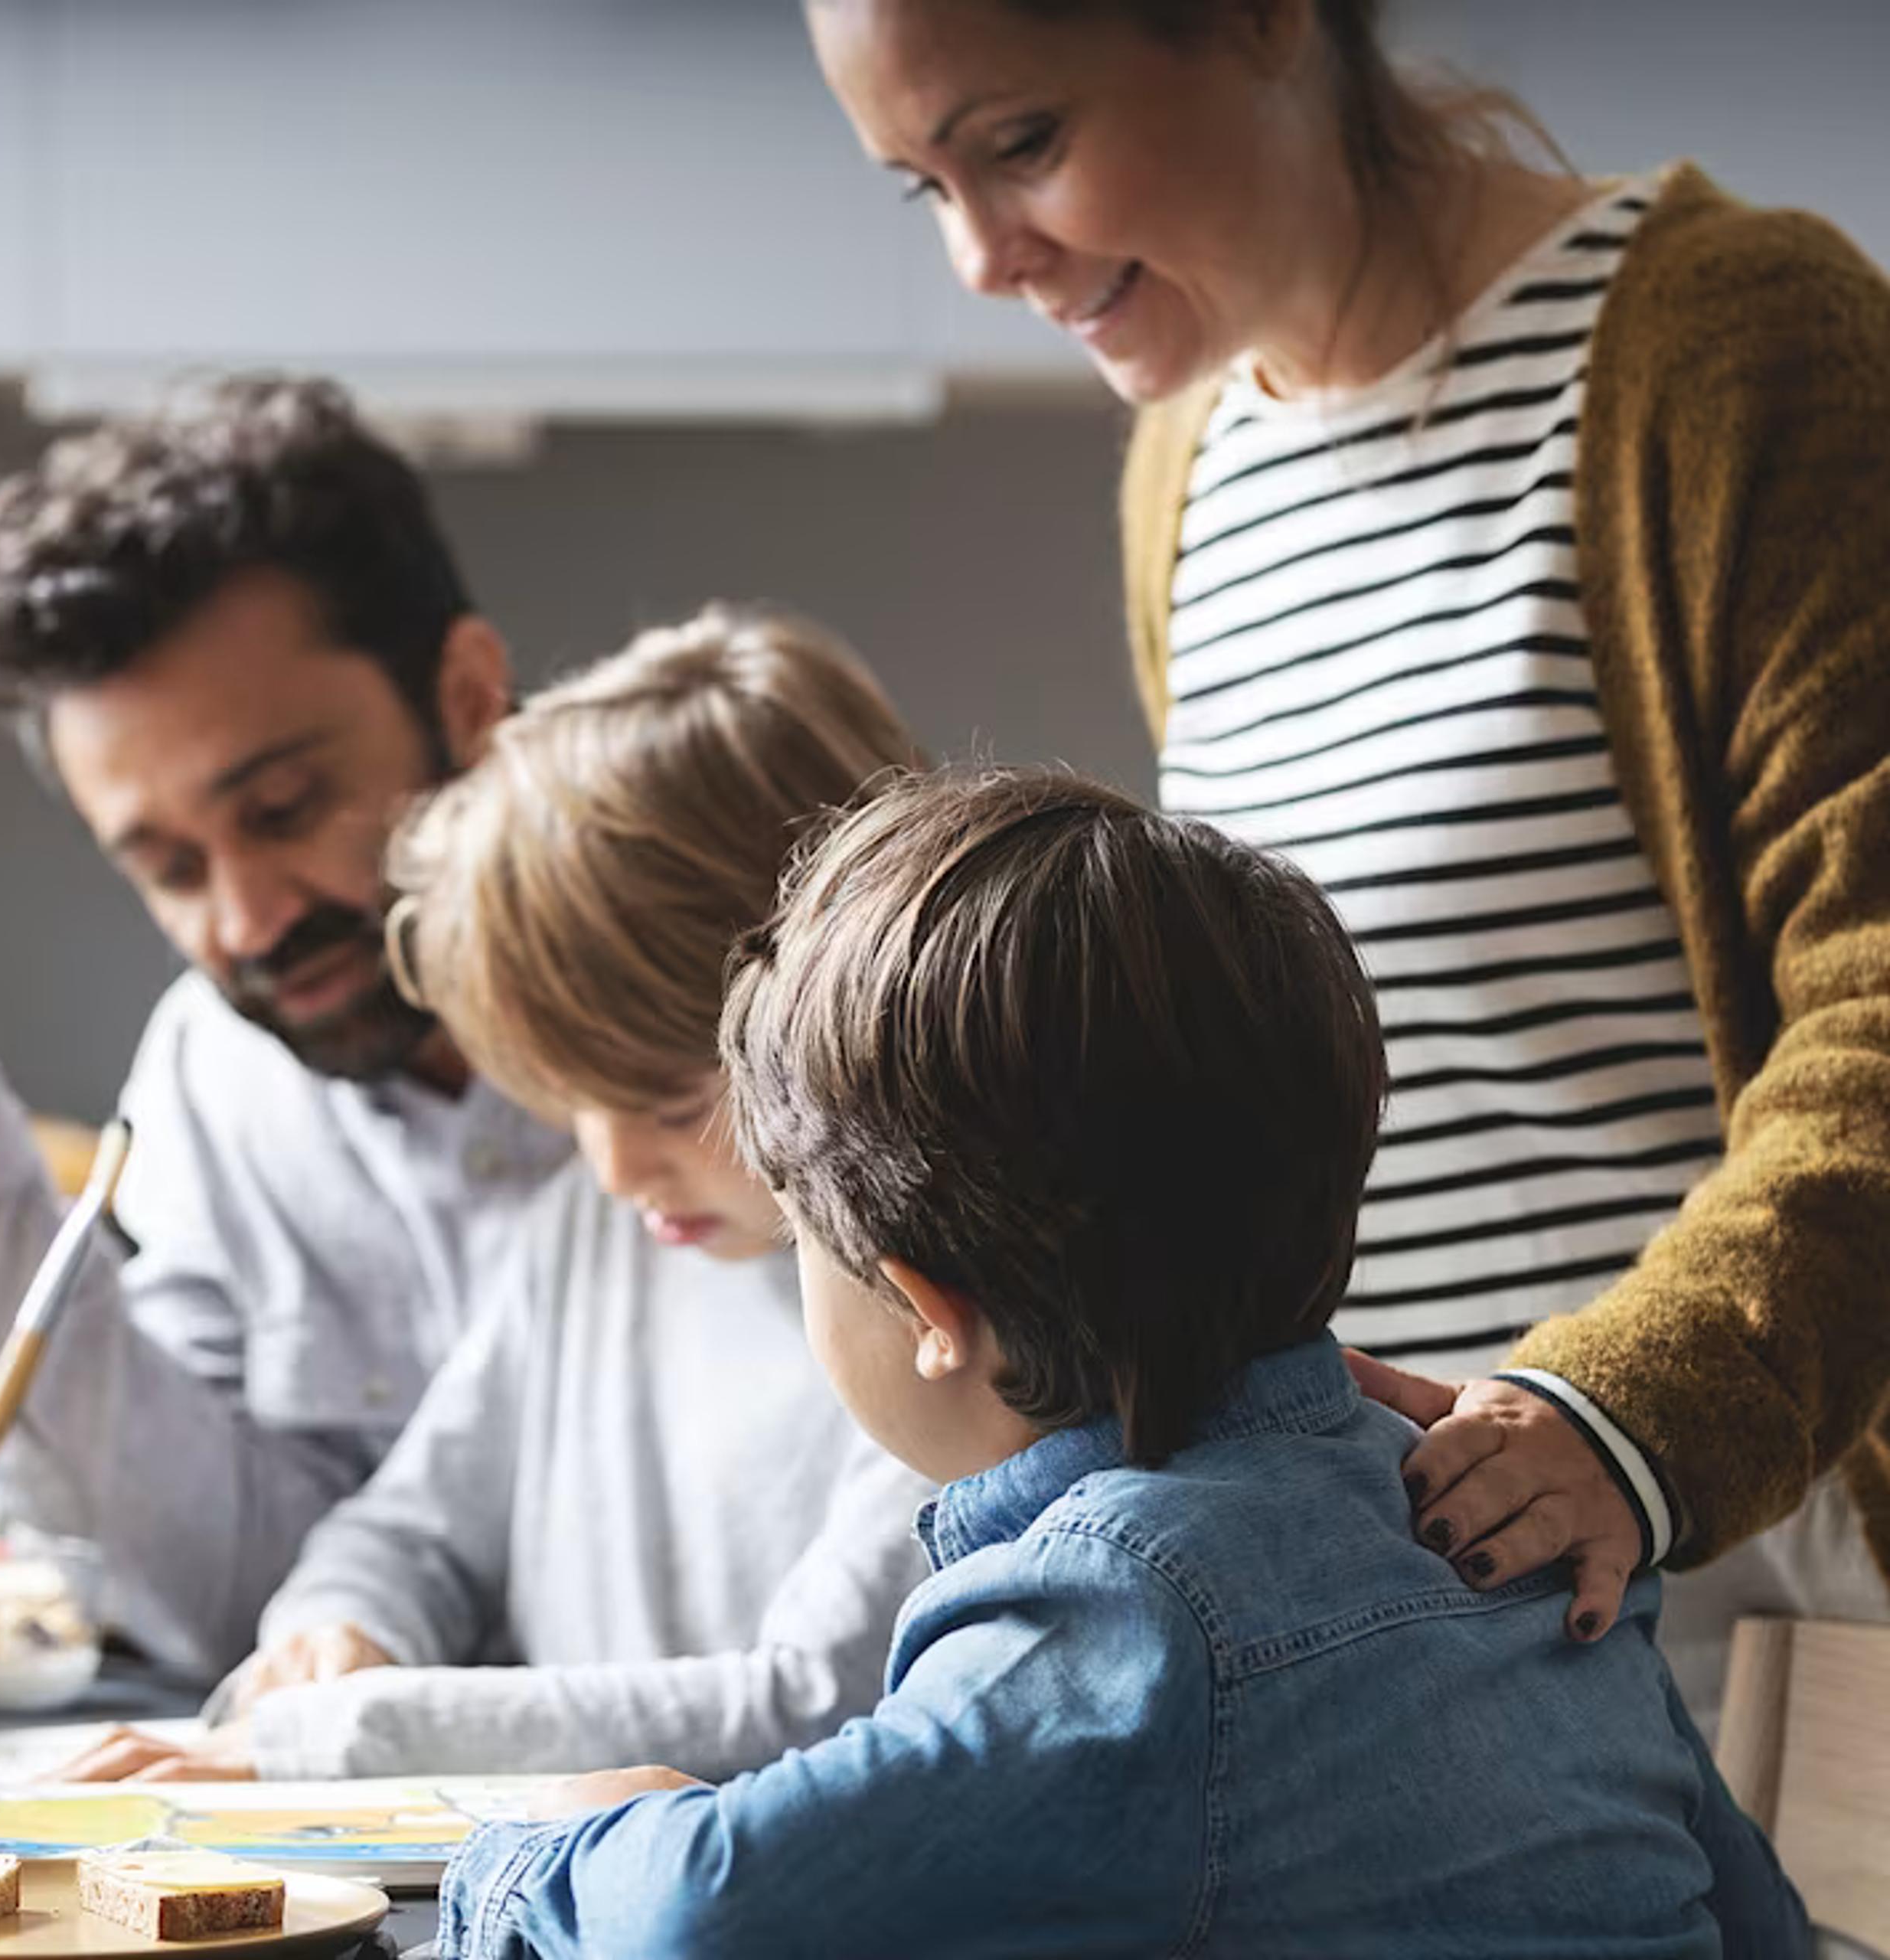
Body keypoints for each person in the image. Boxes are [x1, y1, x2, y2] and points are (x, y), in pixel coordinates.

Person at [798, 0, 1890, 1725]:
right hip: (1417, 1636)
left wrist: (1624, 1420)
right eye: (915, 187)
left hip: (1754, 1607)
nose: (981, 256)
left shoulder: (1731, 346)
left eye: (1020, 146)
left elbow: (1876, 1012)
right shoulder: (1191, 455)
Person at [440, 767, 1807, 1959]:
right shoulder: (1515, 1529)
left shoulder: (1128, 1623)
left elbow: (697, 1921)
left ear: (927, 1307)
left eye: (800, 1233)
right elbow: (1757, 1932)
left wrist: (563, 1837)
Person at [0, 377, 571, 1679]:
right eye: (169, 867)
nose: (242, 921)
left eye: (287, 808)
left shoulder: (752, 1024)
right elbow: (218, 1585)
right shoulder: (221, 1065)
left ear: (467, 695)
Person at [60, 608, 938, 1783]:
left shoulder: (945, 1315)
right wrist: (344, 1629)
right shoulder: (593, 1224)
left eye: (671, 1105)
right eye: (571, 1103)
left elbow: (817, 1704)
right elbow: (414, 1527)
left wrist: (339, 1738)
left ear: (853, 1017)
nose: (614, 1166)